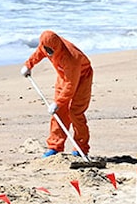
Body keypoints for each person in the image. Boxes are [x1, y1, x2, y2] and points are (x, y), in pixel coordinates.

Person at [21, 30, 93, 158]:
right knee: (59, 113)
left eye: (51, 51)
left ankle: (80, 148)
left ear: (57, 47)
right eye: (46, 49)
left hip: (82, 77)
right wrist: (28, 65)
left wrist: (57, 102)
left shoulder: (71, 58)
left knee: (75, 112)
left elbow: (71, 85)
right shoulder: (46, 46)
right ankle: (55, 146)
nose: (49, 53)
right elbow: (38, 53)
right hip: (63, 77)